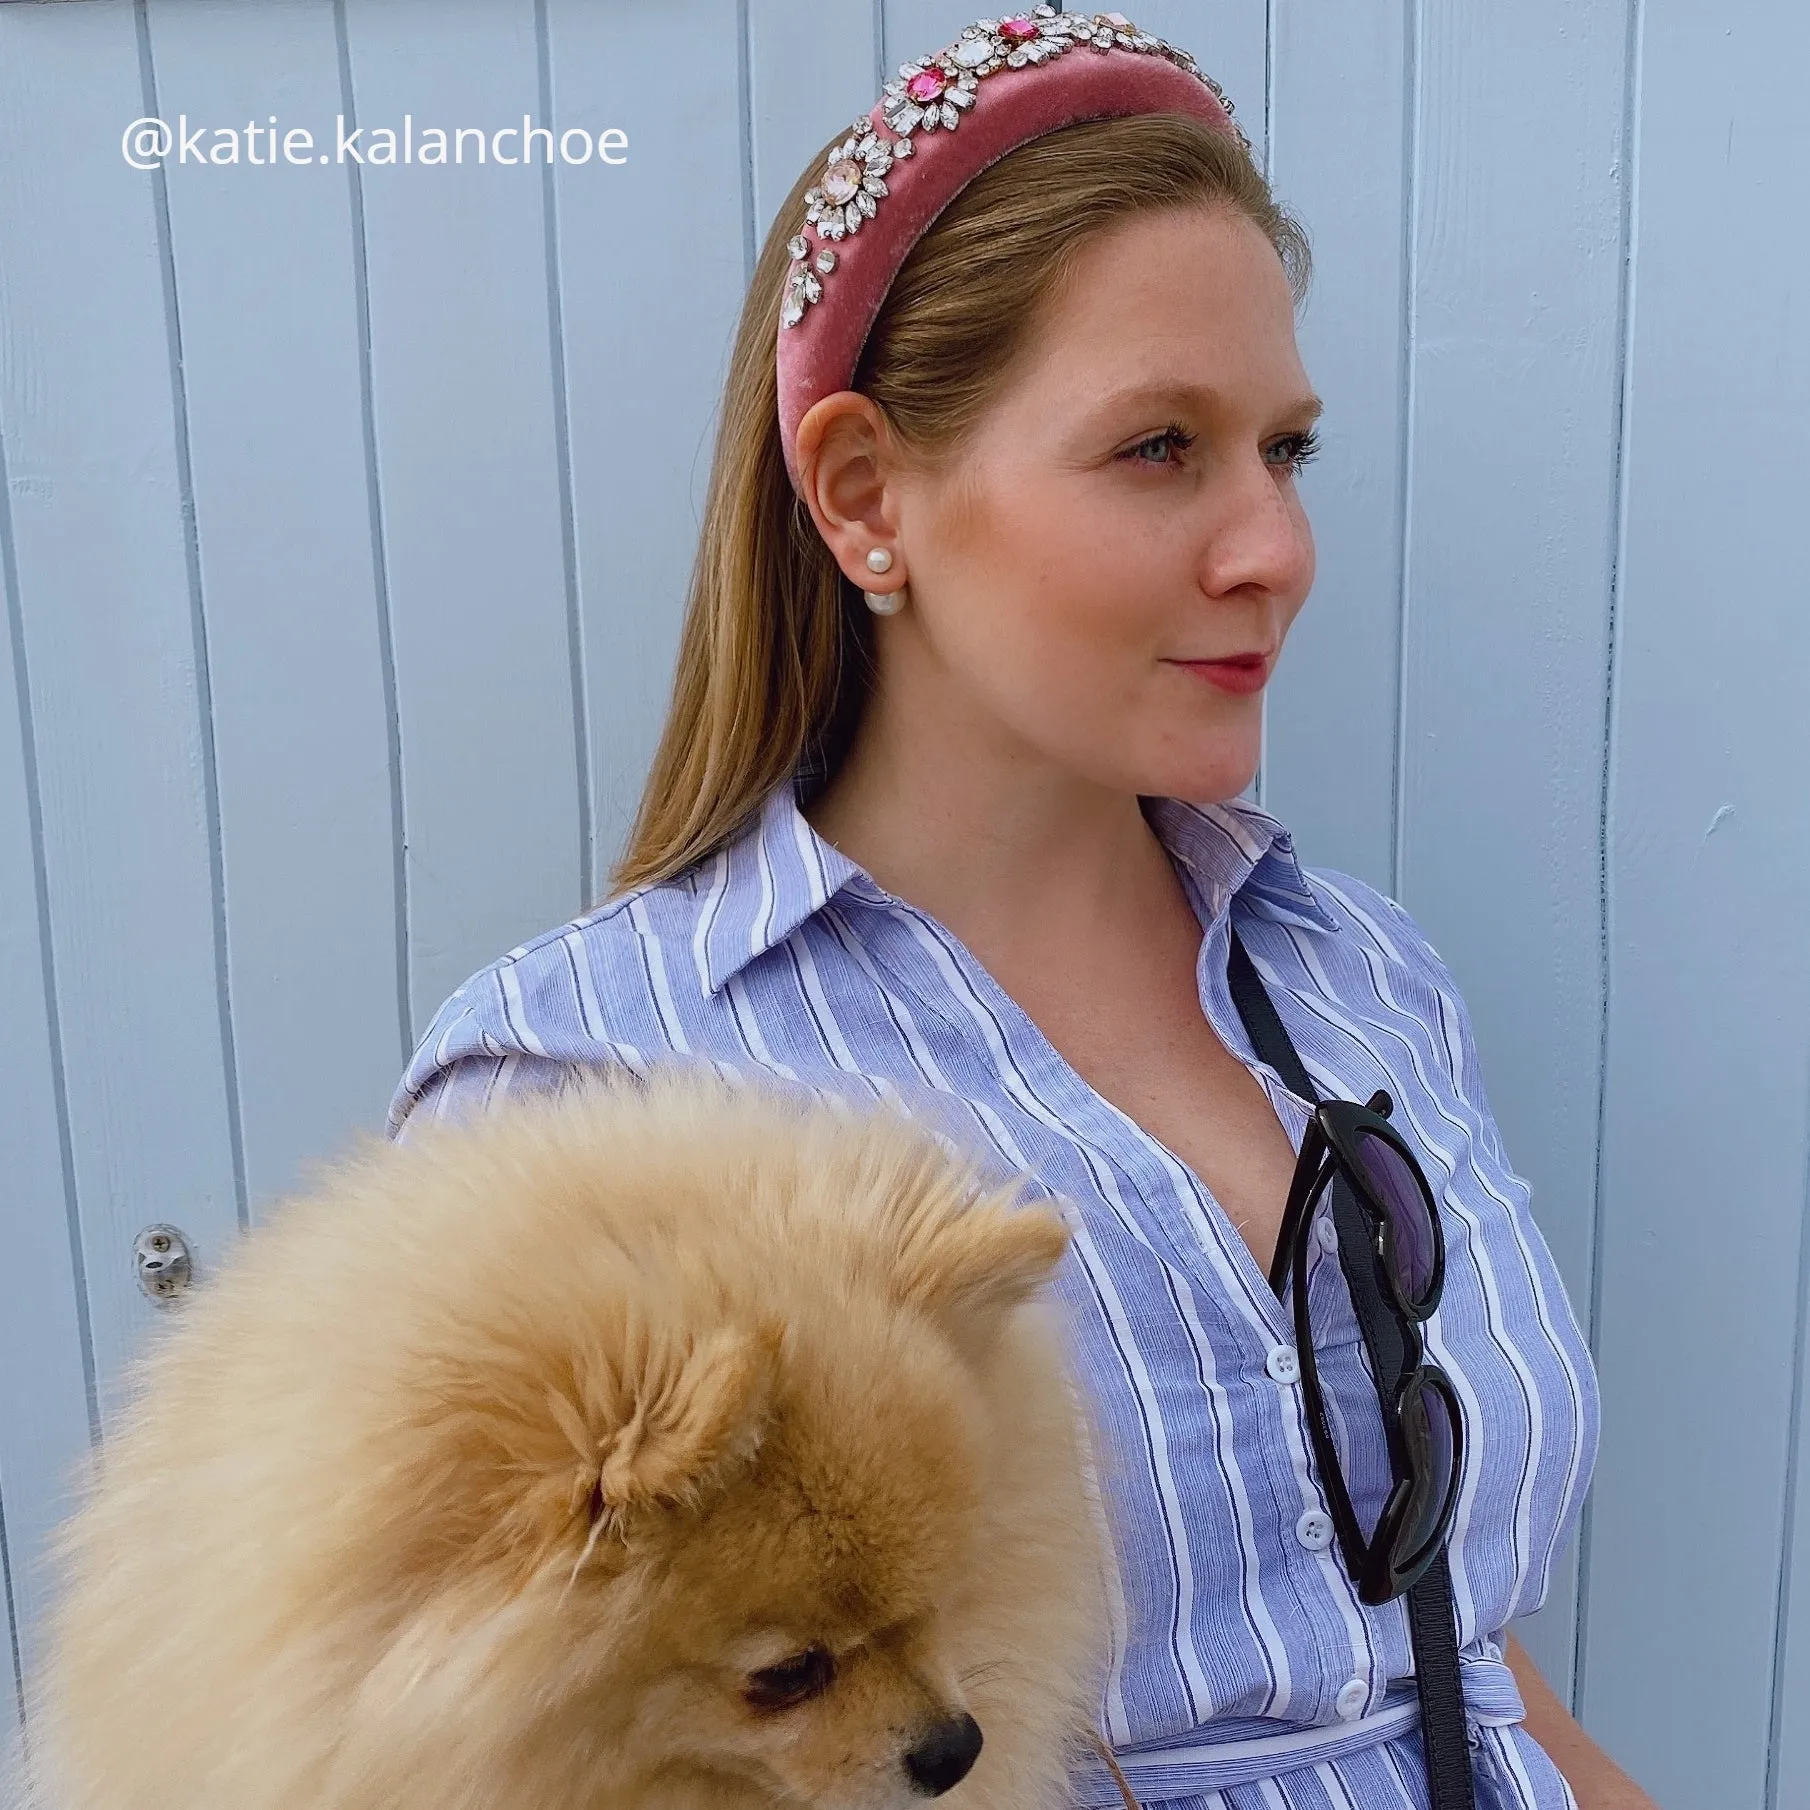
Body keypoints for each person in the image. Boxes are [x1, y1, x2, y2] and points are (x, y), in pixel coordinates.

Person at [387, 11, 1656, 1807]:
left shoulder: (1358, 978)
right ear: (862, 494)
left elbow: (1444, 1641)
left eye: (1283, 451)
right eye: (1157, 447)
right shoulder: (588, 1078)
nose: (1271, 547)